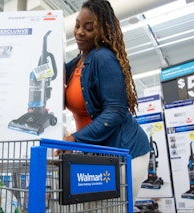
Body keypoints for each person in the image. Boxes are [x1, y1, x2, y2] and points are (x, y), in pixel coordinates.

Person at [60, 0, 151, 203]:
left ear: (102, 29)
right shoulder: (76, 63)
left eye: (89, 27)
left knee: (112, 208)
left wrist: (75, 139)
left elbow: (116, 111)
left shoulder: (104, 58)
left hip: (125, 153)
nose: (80, 32)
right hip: (97, 152)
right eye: (77, 25)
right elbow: (49, 81)